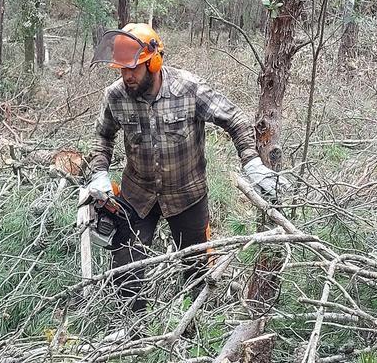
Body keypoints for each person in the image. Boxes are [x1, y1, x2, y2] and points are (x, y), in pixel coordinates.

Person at [87, 22, 281, 316]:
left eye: (133, 69)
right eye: (122, 69)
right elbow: (103, 136)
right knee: (125, 267)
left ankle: (190, 329)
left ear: (153, 61)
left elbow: (234, 119)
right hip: (138, 194)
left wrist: (251, 162)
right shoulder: (115, 96)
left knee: (196, 269)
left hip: (187, 194)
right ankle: (136, 330)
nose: (127, 76)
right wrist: (99, 173)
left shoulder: (188, 89)